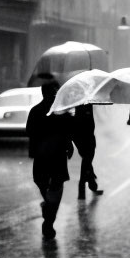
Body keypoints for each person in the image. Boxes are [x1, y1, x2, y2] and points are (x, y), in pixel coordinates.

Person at [26, 79, 74, 240]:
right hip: (57, 156)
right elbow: (69, 131)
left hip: (42, 156)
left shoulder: (36, 111)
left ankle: (48, 209)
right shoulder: (61, 111)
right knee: (56, 185)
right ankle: (49, 215)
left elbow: (29, 131)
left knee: (43, 182)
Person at [72, 104, 103, 199]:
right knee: (87, 162)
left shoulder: (83, 109)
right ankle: (87, 186)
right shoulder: (83, 110)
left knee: (87, 163)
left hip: (87, 140)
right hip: (86, 140)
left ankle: (91, 184)